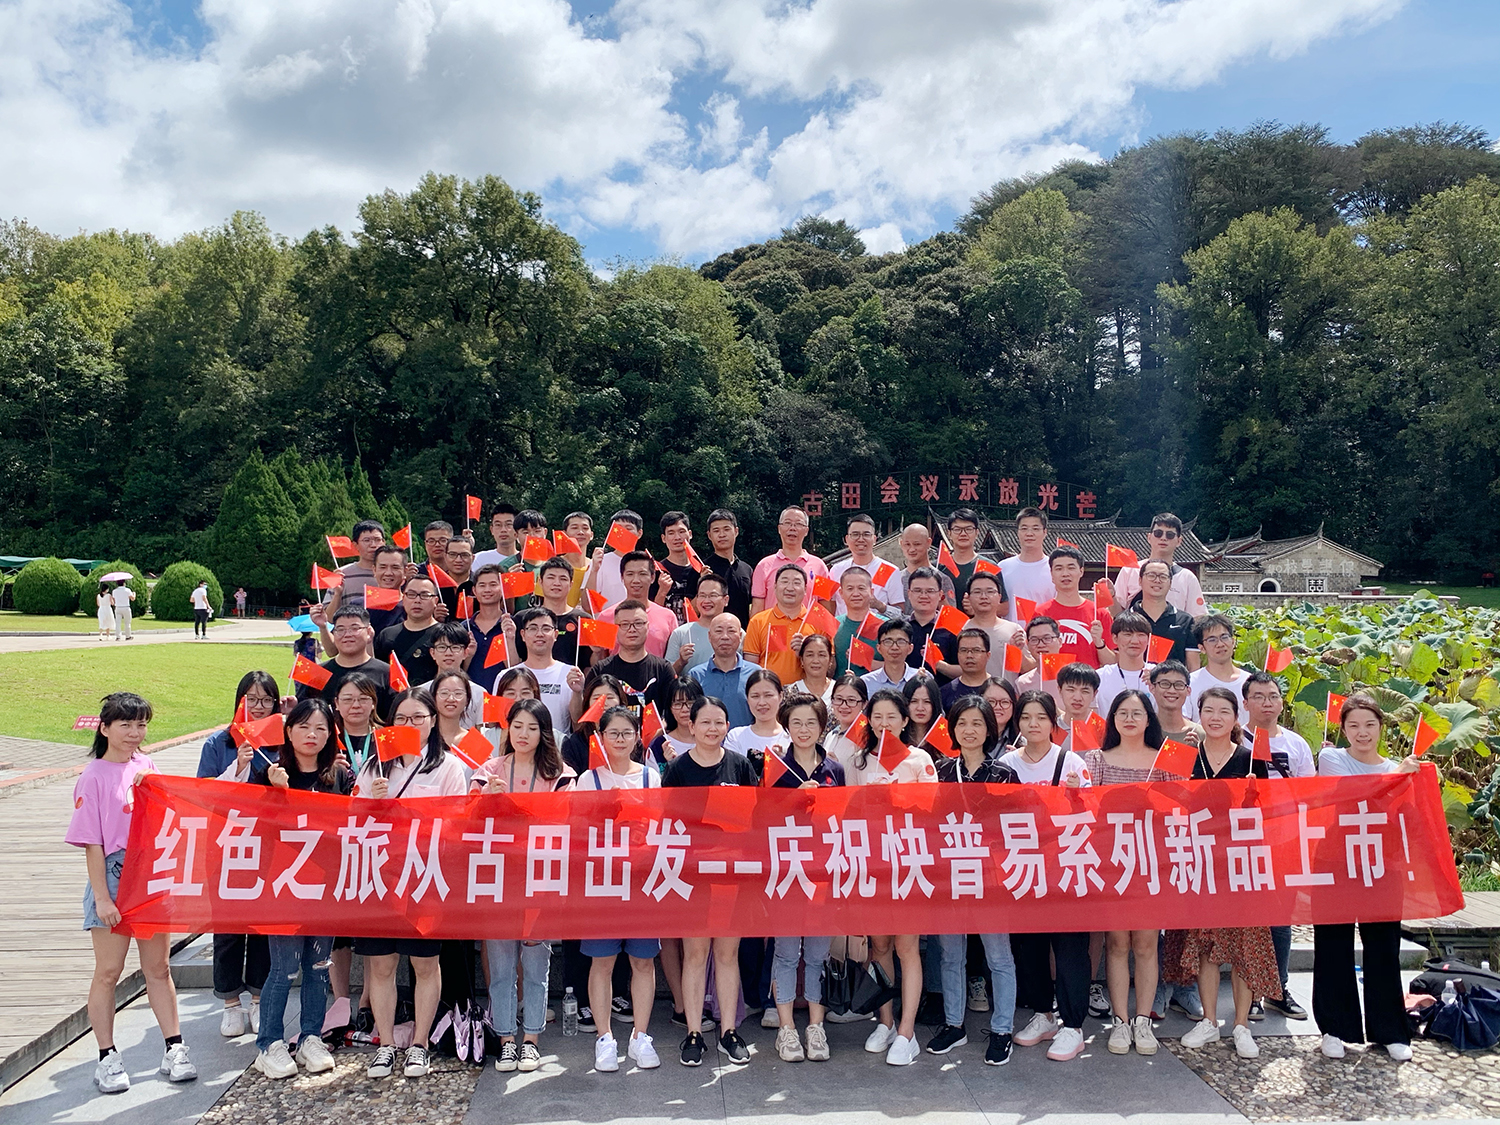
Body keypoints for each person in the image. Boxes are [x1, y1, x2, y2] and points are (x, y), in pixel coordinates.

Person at [68, 692, 196, 1094]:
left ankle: (174, 1048)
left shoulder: (146, 765)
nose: (134, 733)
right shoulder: (93, 776)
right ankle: (106, 1056)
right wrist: (103, 898)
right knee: (109, 971)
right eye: (125, 724)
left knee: (158, 967)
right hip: (113, 874)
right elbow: (92, 843)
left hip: (149, 873)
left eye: (141, 725)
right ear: (105, 728)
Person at [352, 688, 468, 1080]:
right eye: (401, 718)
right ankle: (385, 1044)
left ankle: (420, 1044)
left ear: (433, 721)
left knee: (425, 963)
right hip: (381, 877)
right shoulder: (375, 767)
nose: (410, 724)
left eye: (418, 717)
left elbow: (457, 822)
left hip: (425, 879)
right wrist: (373, 805)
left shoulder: (448, 768)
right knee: (381, 964)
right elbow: (353, 821)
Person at [1164, 686, 1278, 1060]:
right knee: (1206, 944)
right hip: (1199, 862)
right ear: (1199, 714)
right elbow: (1169, 802)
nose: (1215, 718)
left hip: (1240, 864)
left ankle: (1241, 1024)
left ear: (1235, 718)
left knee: (1244, 944)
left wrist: (1253, 796)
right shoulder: (1185, 755)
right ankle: (1210, 1020)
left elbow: (1267, 811)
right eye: (1208, 710)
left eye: (1223, 711)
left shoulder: (1250, 758)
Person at [1313, 694, 1421, 1062]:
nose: (1362, 732)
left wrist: (1405, 779)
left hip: (1381, 864)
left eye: (1370, 725)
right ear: (1343, 729)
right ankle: (1334, 1028)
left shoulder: (1397, 767)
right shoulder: (1332, 759)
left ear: (1380, 728)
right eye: (1354, 725)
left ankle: (1390, 1030)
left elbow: (1406, 813)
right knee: (1333, 944)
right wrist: (1397, 778)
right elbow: (1352, 794)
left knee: (1383, 947)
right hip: (1335, 862)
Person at [249, 699, 349, 1080]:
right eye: (304, 726)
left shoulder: (338, 778)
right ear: (288, 731)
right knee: (284, 967)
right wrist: (274, 792)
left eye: (321, 728)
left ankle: (311, 1036)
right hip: (283, 887)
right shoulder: (270, 774)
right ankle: (269, 1043)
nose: (312, 735)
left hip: (325, 887)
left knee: (319, 966)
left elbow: (353, 823)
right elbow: (251, 825)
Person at [475, 699, 574, 1072]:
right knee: (501, 967)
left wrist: (517, 810)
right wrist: (486, 801)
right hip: (498, 879)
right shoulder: (489, 770)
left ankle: (531, 1039)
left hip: (539, 877)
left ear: (544, 732)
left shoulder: (561, 774)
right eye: (517, 726)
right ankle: (505, 1039)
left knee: (535, 963)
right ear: (507, 728)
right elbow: (466, 818)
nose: (523, 734)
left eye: (533, 727)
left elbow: (564, 820)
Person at [662, 696, 760, 1066]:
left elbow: (755, 816)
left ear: (727, 726)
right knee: (695, 953)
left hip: (732, 874)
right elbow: (668, 822)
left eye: (719, 722)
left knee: (727, 953)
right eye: (705, 722)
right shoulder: (678, 769)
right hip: (693, 877)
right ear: (691, 725)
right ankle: (693, 1033)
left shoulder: (739, 765)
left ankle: (728, 1031)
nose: (712, 729)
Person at [928, 696, 1020, 1064]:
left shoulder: (1003, 774)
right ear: (953, 729)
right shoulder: (940, 771)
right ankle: (954, 1024)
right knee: (951, 955)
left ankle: (1002, 1029)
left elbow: (1015, 826)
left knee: (999, 956)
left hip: (991, 878)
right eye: (962, 723)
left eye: (977, 723)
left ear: (989, 729)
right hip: (949, 875)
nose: (969, 730)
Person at [846, 689, 936, 1065]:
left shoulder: (919, 759)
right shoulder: (859, 761)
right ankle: (885, 1022)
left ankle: (907, 1032)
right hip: (873, 862)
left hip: (909, 860)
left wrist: (896, 799)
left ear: (904, 720)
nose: (884, 724)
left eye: (891, 717)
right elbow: (846, 809)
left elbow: (932, 809)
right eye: (877, 717)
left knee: (906, 946)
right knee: (879, 946)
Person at [575, 706, 664, 1072]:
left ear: (637, 737)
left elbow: (660, 827)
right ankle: (604, 1038)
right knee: (603, 962)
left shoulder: (649, 777)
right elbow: (577, 829)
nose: (621, 739)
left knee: (643, 961)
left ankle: (640, 1036)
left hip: (641, 882)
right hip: (603, 883)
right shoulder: (588, 780)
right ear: (601, 737)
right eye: (613, 733)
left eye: (627, 733)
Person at [1006, 690, 1092, 1063]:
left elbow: (1093, 816)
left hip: (1066, 870)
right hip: (1025, 869)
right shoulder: (1007, 763)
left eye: (1041, 717)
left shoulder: (1070, 762)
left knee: (1070, 947)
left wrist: (1076, 796)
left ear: (1053, 723)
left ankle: (1073, 1025)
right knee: (1030, 946)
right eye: (1026, 717)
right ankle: (1043, 1013)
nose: (1033, 724)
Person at [1082, 691, 1169, 1056]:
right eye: (1122, 713)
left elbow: (1179, 808)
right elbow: (1085, 810)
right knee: (1117, 945)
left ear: (1149, 719)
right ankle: (1120, 1020)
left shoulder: (1165, 760)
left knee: (1146, 946)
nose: (1130, 719)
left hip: (1151, 863)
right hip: (1112, 864)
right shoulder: (1095, 760)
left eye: (1137, 713)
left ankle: (1143, 1020)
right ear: (1112, 719)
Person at [197, 671, 279, 1035]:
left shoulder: (281, 741)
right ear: (239, 700)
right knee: (228, 928)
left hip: (269, 848)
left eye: (266, 700)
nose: (259, 707)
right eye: (252, 699)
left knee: (262, 926)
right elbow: (203, 793)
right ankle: (230, 1002)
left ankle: (259, 998)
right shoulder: (219, 743)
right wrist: (239, 767)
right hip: (226, 847)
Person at [767, 692, 845, 1063]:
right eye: (796, 722)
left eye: (811, 723)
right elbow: (760, 820)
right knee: (785, 952)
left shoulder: (834, 769)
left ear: (822, 727)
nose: (803, 729)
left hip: (822, 872)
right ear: (786, 726)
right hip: (785, 872)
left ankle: (816, 1027)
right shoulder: (774, 768)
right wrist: (792, 800)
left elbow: (843, 819)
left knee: (817, 954)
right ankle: (786, 1029)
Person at [1242, 671, 1313, 1021]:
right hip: (1241, 842)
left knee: (1281, 920)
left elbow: (1309, 793)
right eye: (1258, 696)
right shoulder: (1233, 739)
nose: (1266, 703)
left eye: (1272, 696)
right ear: (1245, 703)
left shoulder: (1297, 745)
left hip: (1284, 841)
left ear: (1282, 702)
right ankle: (1250, 993)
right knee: (1249, 920)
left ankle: (1277, 988)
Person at [575, 600, 676, 722]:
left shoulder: (663, 669)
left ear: (648, 626)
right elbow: (584, 716)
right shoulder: (600, 670)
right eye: (624, 624)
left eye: (638, 623)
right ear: (616, 629)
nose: (632, 629)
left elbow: (672, 714)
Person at [744, 564, 838, 687]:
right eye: (784, 581)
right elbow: (750, 666)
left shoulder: (820, 622)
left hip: (808, 694)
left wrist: (807, 650)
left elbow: (830, 668)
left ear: (805, 589)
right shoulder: (758, 621)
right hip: (770, 692)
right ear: (775, 587)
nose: (790, 588)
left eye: (796, 583)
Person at [298, 606, 392, 718]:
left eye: (355, 628)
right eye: (340, 629)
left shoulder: (386, 673)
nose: (347, 635)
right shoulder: (318, 675)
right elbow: (304, 715)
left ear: (368, 632)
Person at [1111, 513, 1207, 619]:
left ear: (1179, 541)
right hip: (1135, 629)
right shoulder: (1130, 570)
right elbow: (1117, 616)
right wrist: (1111, 596)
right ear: (1149, 537)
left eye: (1170, 535)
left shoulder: (1187, 578)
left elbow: (1197, 617)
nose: (1163, 538)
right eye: (1158, 533)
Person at [1036, 546, 1115, 669]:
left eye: (1071, 567)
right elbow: (1034, 657)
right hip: (1053, 679)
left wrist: (1099, 643)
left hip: (1089, 680)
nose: (1065, 574)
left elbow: (1113, 664)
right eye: (1059, 568)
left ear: (1081, 571)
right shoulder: (1040, 613)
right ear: (1051, 574)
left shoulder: (1099, 614)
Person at [512, 606, 585, 735]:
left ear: (555, 634)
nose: (539, 634)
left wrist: (577, 693)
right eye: (533, 628)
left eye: (546, 629)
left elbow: (577, 722)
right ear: (523, 635)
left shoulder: (571, 674)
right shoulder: (508, 675)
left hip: (558, 746)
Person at [751, 505, 830, 615]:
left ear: (806, 531)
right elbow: (757, 609)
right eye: (787, 523)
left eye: (798, 524)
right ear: (779, 528)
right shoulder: (763, 566)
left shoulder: (820, 566)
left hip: (807, 626)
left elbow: (826, 608)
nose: (792, 528)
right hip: (773, 625)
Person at [598, 550, 678, 659]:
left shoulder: (668, 617)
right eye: (630, 574)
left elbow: (672, 659)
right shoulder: (606, 617)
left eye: (642, 574)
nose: (636, 580)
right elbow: (599, 660)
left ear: (652, 577)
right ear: (622, 577)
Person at [1127, 558, 1200, 668]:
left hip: (1173, 679)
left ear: (1170, 583)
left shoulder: (1185, 621)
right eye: (1151, 575)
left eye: (1163, 576)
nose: (1157, 580)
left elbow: (1193, 666)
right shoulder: (1125, 619)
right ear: (1140, 581)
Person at [687, 613, 756, 728]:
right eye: (719, 631)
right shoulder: (696, 675)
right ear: (709, 636)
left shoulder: (755, 674)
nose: (725, 637)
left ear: (740, 636)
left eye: (731, 631)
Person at [516, 557, 588, 667]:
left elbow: (590, 663)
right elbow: (514, 661)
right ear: (540, 582)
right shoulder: (523, 618)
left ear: (571, 584)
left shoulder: (583, 619)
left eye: (563, 579)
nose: (556, 583)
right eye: (551, 578)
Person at [374, 576, 442, 686]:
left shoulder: (444, 635)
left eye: (424, 595)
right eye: (411, 594)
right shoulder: (387, 635)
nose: (417, 600)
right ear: (403, 598)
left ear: (435, 601)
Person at [827, 513, 900, 615]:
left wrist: (879, 605)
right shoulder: (836, 570)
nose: (861, 539)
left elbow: (899, 612)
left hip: (878, 625)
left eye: (866, 534)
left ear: (874, 539)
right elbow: (830, 605)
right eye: (855, 534)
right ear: (847, 539)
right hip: (843, 625)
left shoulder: (890, 571)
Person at [415, 622, 484, 729]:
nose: (448, 653)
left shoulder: (479, 693)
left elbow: (482, 731)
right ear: (432, 653)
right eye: (442, 647)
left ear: (465, 653)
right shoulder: (421, 693)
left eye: (455, 647)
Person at [964, 571, 1031, 681]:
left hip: (1006, 691)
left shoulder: (1014, 630)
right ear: (968, 598)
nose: (984, 597)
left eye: (990, 591)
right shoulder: (961, 630)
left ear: (999, 597)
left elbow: (1029, 671)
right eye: (977, 592)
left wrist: (1017, 652)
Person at [1188, 614, 1250, 722]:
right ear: (1202, 648)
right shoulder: (1190, 683)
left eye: (1224, 637)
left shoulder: (1249, 682)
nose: (1220, 644)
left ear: (1233, 642)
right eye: (1212, 640)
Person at [560, 675, 626, 777]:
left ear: (620, 702)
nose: (603, 703)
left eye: (609, 697)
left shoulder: (629, 738)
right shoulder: (574, 743)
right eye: (596, 698)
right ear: (588, 703)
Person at [902, 567, 959, 683]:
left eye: (930, 591)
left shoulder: (953, 630)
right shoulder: (900, 628)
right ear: (909, 594)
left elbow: (967, 672)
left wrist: (939, 664)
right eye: (917, 590)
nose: (923, 596)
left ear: (940, 595)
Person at [999, 508, 1055, 623]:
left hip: (1044, 632)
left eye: (1035, 528)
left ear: (1045, 532)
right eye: (1024, 528)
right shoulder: (1003, 567)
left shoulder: (1054, 568)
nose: (1029, 534)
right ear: (1018, 532)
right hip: (1010, 632)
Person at [666, 573, 727, 675]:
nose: (706, 601)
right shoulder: (681, 633)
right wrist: (681, 662)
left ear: (725, 600)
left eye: (713, 595)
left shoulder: (735, 633)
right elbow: (667, 676)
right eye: (702, 595)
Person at [702, 508, 755, 625]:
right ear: (709, 535)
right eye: (716, 530)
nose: (722, 535)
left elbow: (753, 606)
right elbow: (691, 608)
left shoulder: (747, 570)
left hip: (741, 632)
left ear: (736, 531)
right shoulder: (703, 569)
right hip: (711, 632)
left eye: (726, 529)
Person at [584, 508, 646, 607]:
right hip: (608, 616)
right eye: (618, 528)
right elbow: (587, 605)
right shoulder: (600, 562)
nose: (623, 532)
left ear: (639, 533)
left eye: (628, 528)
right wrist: (594, 570)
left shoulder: (647, 563)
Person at [832, 565, 888, 676]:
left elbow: (897, 667)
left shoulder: (886, 626)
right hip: (840, 686)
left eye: (861, 588)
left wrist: (866, 662)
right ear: (841, 593)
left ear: (871, 592)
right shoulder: (833, 624)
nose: (856, 594)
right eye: (850, 589)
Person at [1095, 612, 1154, 715]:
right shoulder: (1100, 677)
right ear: (1115, 638)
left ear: (1149, 639)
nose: (1135, 641)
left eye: (1141, 635)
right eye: (1128, 635)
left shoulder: (1158, 676)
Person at [723, 668, 790, 757]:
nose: (762, 703)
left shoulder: (792, 736)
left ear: (780, 696)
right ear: (747, 698)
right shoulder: (736, 737)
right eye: (755, 696)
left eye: (768, 695)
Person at [889, 523, 956, 610]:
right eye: (907, 544)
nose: (912, 549)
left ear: (928, 543)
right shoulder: (895, 579)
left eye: (917, 544)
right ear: (901, 544)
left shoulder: (942, 579)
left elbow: (951, 613)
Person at [466, 563, 510, 693]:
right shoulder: (465, 627)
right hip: (472, 697)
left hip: (503, 696)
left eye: (493, 585)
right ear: (474, 590)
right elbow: (458, 670)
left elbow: (516, 667)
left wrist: (509, 639)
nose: (487, 590)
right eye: (482, 585)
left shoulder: (512, 625)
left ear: (503, 588)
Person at [655, 510, 701, 622]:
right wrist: (662, 591)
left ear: (690, 534)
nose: (677, 537)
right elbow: (651, 611)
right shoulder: (656, 571)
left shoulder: (700, 570)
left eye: (681, 531)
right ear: (663, 538)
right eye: (671, 533)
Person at [331, 520, 386, 610]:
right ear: (355, 545)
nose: (373, 545)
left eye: (377, 540)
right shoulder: (342, 575)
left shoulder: (394, 573)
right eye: (366, 540)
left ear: (384, 542)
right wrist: (337, 594)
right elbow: (328, 616)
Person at [1149, 660, 1203, 747]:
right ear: (1152, 688)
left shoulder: (1199, 734)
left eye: (1179, 685)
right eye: (1165, 684)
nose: (1172, 690)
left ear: (1188, 691)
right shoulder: (1143, 731)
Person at [648, 678, 701, 767]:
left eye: (690, 703)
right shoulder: (659, 745)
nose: (685, 709)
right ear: (670, 708)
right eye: (678, 704)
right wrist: (670, 766)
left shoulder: (712, 738)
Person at [1013, 615, 1064, 705]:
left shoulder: (1074, 678)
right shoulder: (1022, 683)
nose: (1041, 645)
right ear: (1027, 644)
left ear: (1059, 642)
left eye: (1047, 638)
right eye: (1034, 640)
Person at [941, 628, 994, 711]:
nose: (969, 655)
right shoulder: (945, 692)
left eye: (976, 650)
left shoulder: (998, 689)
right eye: (964, 650)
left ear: (988, 655)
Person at [943, 508, 985, 607]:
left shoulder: (988, 566)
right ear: (949, 533)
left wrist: (977, 608)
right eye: (957, 529)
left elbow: (1004, 607)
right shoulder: (938, 567)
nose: (963, 534)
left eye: (968, 529)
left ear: (977, 533)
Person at [862, 617, 917, 692]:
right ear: (879, 648)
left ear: (910, 648)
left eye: (901, 641)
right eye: (888, 642)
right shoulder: (866, 682)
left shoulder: (921, 678)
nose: (894, 647)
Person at [824, 673, 869, 762]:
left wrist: (837, 767)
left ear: (864, 704)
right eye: (839, 699)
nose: (844, 706)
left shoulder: (868, 737)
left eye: (851, 700)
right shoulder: (830, 736)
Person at [471, 502, 520, 574]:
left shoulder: (526, 560)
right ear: (492, 530)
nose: (503, 530)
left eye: (508, 524)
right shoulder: (479, 559)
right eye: (498, 525)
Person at [789, 632, 835, 706]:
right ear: (802, 660)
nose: (815, 661)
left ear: (830, 660)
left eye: (821, 655)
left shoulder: (839, 691)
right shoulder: (789, 692)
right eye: (810, 655)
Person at [902, 672, 943, 747]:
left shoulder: (946, 738)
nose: (920, 708)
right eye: (914, 701)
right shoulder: (897, 738)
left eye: (927, 702)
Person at [983, 676, 1022, 748]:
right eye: (991, 701)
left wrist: (1019, 755)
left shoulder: (1024, 744)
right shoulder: (969, 736)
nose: (998, 707)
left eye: (1005, 702)